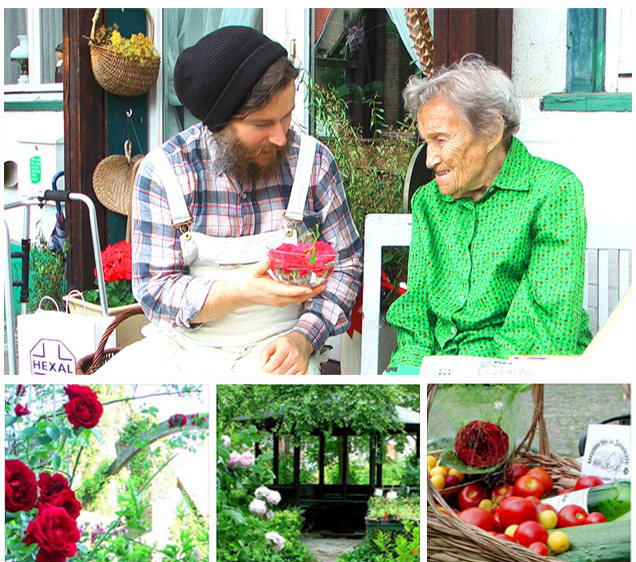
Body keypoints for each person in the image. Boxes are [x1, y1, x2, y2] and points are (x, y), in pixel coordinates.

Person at [96, 26, 362, 376]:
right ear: (219, 124)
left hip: (278, 349)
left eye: (287, 116)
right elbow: (154, 289)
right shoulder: (165, 172)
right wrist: (240, 291)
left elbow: (345, 265)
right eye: (262, 124)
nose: (281, 137)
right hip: (184, 350)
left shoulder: (313, 162)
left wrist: (304, 338)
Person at [386, 54, 592, 371]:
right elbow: (416, 317)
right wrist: (411, 375)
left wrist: (468, 380)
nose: (430, 159)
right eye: (427, 142)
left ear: (491, 131)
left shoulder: (553, 191)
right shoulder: (428, 201)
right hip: (442, 377)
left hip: (520, 376)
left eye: (441, 140)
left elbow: (545, 326)